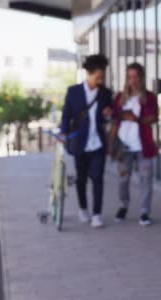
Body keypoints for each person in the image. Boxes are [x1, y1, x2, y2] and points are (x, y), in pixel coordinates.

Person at [60, 54, 113, 228]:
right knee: (81, 178)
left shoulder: (105, 93)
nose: (101, 79)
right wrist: (63, 133)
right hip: (80, 143)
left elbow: (108, 116)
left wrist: (108, 114)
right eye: (98, 76)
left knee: (97, 178)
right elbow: (66, 115)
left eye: (102, 76)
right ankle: (83, 208)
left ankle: (97, 214)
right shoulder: (73, 92)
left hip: (98, 142)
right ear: (89, 73)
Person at [109, 62, 159, 226]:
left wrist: (136, 119)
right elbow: (115, 122)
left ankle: (145, 212)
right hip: (124, 146)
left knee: (146, 180)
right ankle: (123, 205)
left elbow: (154, 118)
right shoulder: (119, 98)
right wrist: (110, 145)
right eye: (130, 77)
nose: (133, 81)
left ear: (141, 78)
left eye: (136, 77)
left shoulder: (149, 97)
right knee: (123, 180)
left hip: (143, 145)